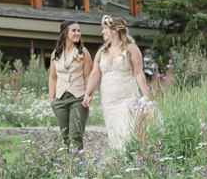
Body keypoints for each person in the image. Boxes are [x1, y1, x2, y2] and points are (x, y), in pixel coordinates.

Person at [83, 15, 156, 151]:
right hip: (108, 101)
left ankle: (132, 158)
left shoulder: (130, 49)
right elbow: (94, 74)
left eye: (105, 28)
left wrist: (146, 94)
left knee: (127, 132)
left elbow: (138, 72)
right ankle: (121, 163)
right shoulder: (101, 51)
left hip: (127, 98)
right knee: (114, 133)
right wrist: (87, 94)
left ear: (115, 30)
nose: (102, 32)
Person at [49, 20, 93, 152]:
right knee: (66, 139)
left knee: (76, 138)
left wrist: (88, 96)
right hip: (60, 100)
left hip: (78, 99)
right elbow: (52, 77)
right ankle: (70, 170)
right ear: (65, 33)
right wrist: (52, 100)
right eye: (74, 30)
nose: (77, 33)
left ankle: (79, 171)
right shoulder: (56, 53)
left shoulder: (83, 53)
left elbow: (88, 77)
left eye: (78, 30)